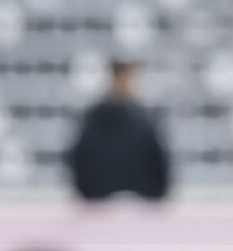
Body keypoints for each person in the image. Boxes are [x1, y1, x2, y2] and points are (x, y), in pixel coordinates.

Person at [67, 59, 170, 201]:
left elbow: (158, 168)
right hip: (105, 206)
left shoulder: (145, 120)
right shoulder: (144, 120)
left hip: (127, 206)